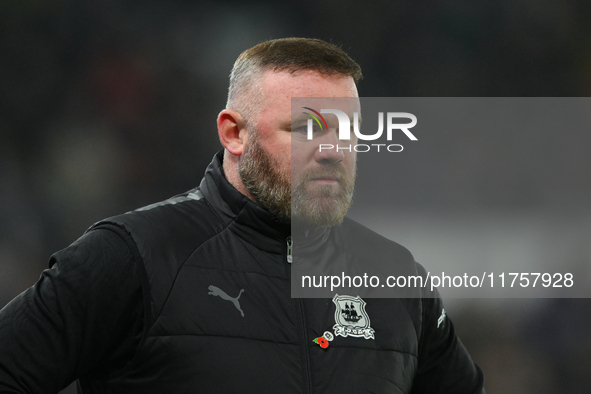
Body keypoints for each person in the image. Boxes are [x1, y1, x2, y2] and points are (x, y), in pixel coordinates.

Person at [0, 38, 484, 393]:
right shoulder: (132, 255)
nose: (334, 150)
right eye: (306, 127)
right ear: (234, 133)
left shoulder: (397, 281)